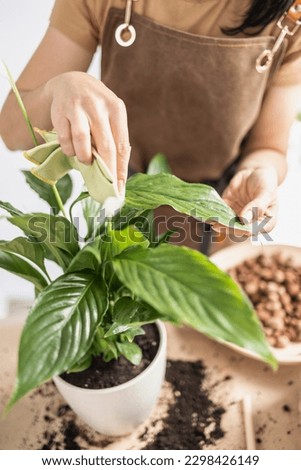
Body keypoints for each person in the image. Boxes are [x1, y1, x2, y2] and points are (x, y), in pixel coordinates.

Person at [1, 0, 301, 252]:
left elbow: (268, 147)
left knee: (200, 317)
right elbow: (13, 132)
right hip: (123, 202)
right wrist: (59, 88)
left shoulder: (292, 13)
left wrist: (260, 174)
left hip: (226, 207)